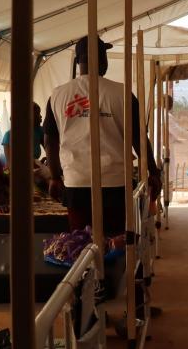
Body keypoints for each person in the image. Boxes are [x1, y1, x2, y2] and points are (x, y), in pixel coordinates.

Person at [43, 35, 162, 235]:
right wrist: (153, 172)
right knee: (115, 243)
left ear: (78, 61)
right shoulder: (122, 93)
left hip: (76, 182)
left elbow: (50, 140)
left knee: (81, 245)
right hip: (114, 183)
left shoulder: (58, 95)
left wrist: (55, 177)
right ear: (103, 60)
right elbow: (139, 139)